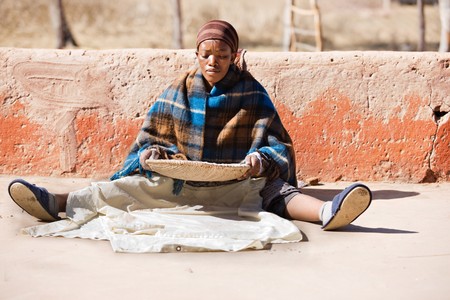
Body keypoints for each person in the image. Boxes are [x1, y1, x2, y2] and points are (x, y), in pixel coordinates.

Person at [8, 20, 371, 233]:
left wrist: (260, 161)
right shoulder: (177, 91)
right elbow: (150, 141)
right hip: (178, 184)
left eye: (223, 56)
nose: (214, 62)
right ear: (196, 56)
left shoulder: (251, 92)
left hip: (238, 184)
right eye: (206, 55)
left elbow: (277, 145)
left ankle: (328, 213)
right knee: (125, 188)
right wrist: (152, 155)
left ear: (235, 57)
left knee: (277, 193)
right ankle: (52, 202)